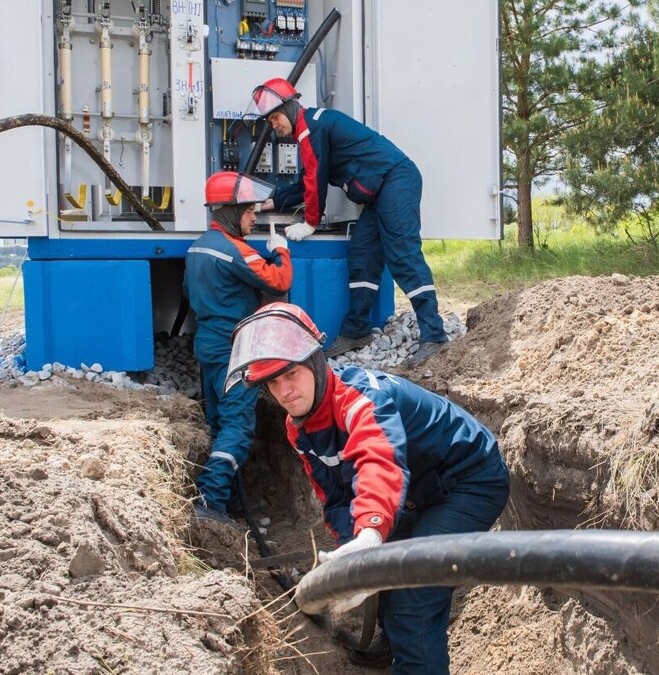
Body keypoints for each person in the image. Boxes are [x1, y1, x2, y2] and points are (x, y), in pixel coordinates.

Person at [223, 302, 510, 674]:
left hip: (468, 480)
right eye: (272, 383)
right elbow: (335, 496)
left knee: (414, 596)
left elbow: (379, 461)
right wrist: (353, 546)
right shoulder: (299, 428)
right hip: (417, 489)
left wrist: (372, 531)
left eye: (290, 373)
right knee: (385, 574)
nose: (285, 391)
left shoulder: (362, 400)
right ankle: (396, 647)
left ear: (315, 362)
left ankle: (414, 655)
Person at [246, 77, 448, 366]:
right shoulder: (310, 129)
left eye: (275, 117)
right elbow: (306, 183)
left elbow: (315, 179)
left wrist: (310, 223)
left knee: (402, 255)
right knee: (362, 254)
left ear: (290, 108)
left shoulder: (311, 127)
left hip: (396, 180)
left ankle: (434, 336)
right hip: (380, 191)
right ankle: (357, 331)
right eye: (269, 121)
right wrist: (271, 201)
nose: (274, 125)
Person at [184, 171, 292, 519]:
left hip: (208, 344)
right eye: (248, 211)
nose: (254, 217)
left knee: (219, 421)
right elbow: (279, 281)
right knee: (238, 426)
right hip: (234, 349)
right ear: (230, 211)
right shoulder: (235, 251)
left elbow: (188, 294)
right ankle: (211, 501)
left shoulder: (197, 247)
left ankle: (231, 500)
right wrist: (280, 251)